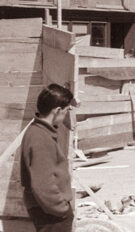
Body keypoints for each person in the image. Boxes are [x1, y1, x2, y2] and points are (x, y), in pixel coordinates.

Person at [20, 84, 75, 232]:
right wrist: (61, 209)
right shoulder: (40, 137)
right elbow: (42, 184)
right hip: (50, 213)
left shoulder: (39, 131)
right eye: (66, 111)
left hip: (48, 209)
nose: (66, 116)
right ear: (57, 111)